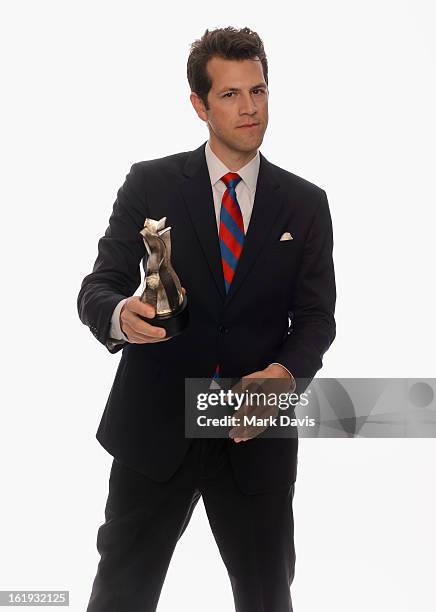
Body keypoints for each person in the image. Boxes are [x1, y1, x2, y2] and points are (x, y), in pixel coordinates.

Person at [77, 26, 336, 612]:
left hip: (254, 433)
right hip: (156, 428)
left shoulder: (305, 203)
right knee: (120, 595)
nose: (250, 108)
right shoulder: (151, 183)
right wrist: (120, 314)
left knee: (267, 598)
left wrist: (285, 376)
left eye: (259, 91)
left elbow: (318, 319)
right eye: (230, 95)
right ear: (199, 104)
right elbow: (98, 286)